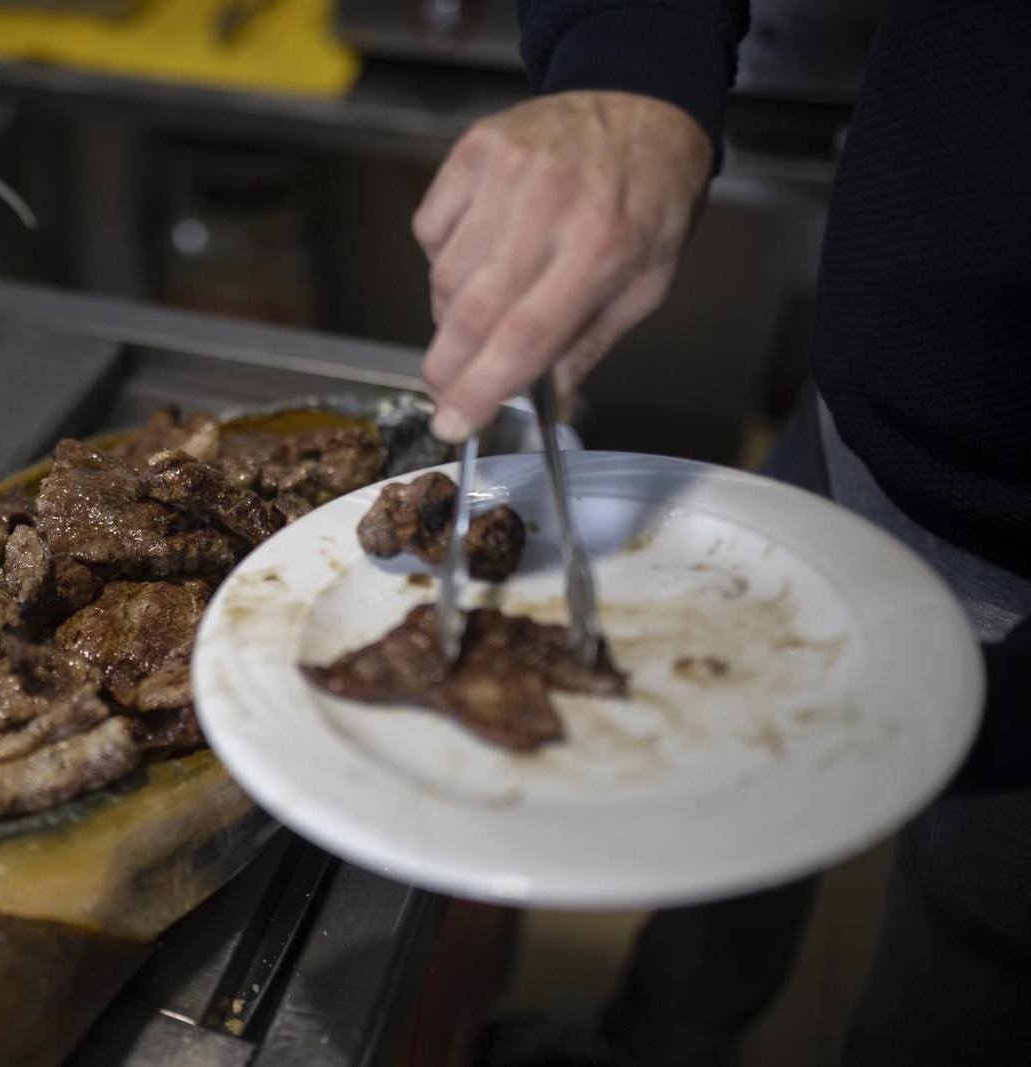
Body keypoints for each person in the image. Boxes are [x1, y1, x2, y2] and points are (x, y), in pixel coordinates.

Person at [409, 2, 1031, 1064]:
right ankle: (653, 1040)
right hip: (879, 382)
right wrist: (625, 61)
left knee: (971, 949)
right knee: (742, 774)